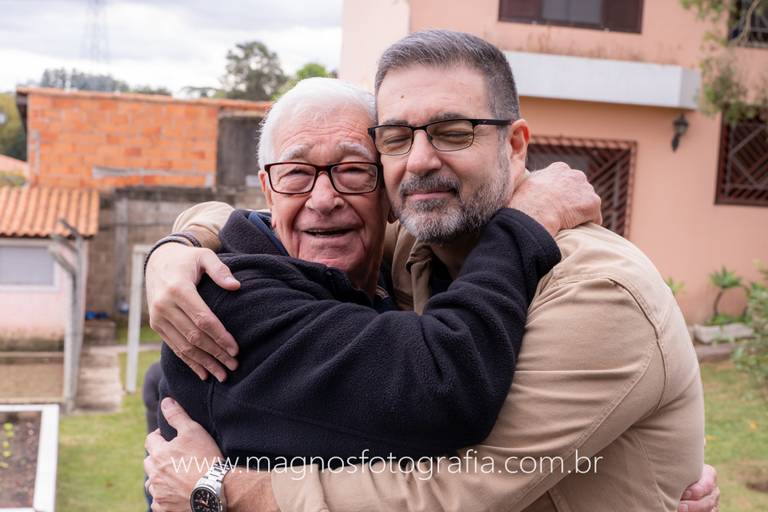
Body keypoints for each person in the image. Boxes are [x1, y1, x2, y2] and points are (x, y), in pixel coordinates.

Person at [145, 30, 718, 512]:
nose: (420, 160)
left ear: (516, 145)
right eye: (397, 138)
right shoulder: (414, 248)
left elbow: (453, 487)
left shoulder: (599, 292)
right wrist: (176, 247)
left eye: (453, 131)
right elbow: (268, 221)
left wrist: (223, 489)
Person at [155, 77, 574, 471]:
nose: (323, 199)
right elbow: (442, 386)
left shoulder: (390, 269)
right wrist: (526, 225)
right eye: (296, 173)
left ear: (389, 195)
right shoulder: (228, 300)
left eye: (353, 170)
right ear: (269, 191)